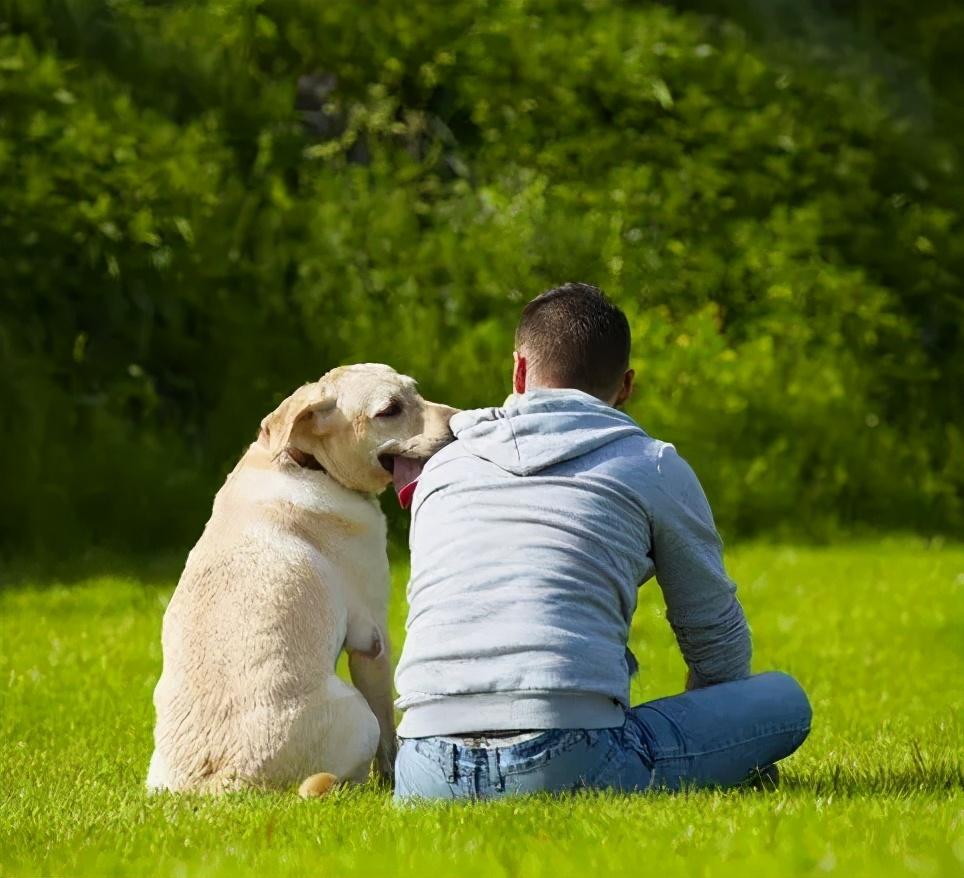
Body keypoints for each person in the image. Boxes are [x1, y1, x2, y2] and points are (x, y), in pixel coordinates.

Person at [393, 283, 811, 800]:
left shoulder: (443, 468)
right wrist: (717, 733)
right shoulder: (651, 465)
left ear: (519, 372)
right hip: (569, 757)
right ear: (627, 385)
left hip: (422, 768)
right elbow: (715, 638)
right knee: (785, 702)